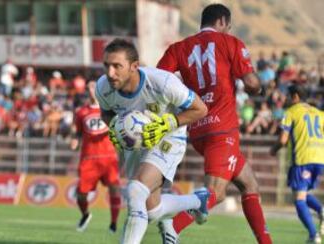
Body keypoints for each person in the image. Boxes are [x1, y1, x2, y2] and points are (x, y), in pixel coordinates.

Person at [156, 3, 272, 244]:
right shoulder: (231, 43)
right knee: (216, 194)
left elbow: (159, 80)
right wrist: (258, 84)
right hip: (223, 129)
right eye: (228, 26)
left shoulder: (179, 48)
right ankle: (173, 225)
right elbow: (251, 83)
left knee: (249, 184)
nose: (228, 30)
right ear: (221, 21)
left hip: (197, 128)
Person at [95, 38, 209, 244]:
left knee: (135, 190)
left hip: (169, 137)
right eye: (106, 65)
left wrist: (167, 124)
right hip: (136, 143)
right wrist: (113, 127)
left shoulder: (162, 83)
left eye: (117, 66)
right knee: (153, 210)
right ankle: (197, 200)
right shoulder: (103, 87)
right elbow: (106, 112)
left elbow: (200, 109)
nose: (110, 73)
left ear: (134, 66)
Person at [270, 85, 324, 244]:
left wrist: (273, 150)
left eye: (288, 96)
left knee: (299, 199)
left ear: (295, 97)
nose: (286, 99)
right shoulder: (320, 113)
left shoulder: (291, 112)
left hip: (302, 159)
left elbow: (282, 140)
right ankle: (321, 210)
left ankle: (314, 235)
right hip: (320, 159)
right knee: (301, 193)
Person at [71, 80, 121, 233]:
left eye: (93, 86)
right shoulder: (81, 113)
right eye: (88, 87)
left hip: (108, 157)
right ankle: (85, 214)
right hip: (88, 159)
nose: (90, 90)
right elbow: (77, 133)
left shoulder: (111, 109)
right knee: (81, 194)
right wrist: (74, 142)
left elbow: (119, 128)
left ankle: (113, 223)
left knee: (114, 189)